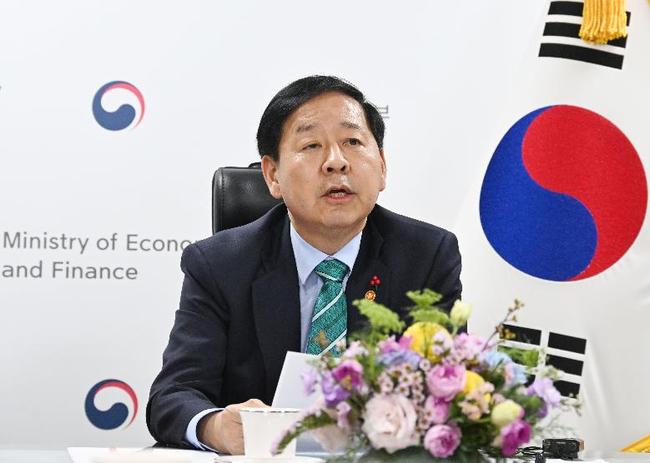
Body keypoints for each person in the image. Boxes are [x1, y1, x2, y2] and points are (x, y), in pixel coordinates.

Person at [146, 75, 462, 453]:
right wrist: (216, 428)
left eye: (353, 142)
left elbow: (447, 390)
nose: (336, 162)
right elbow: (173, 395)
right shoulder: (219, 264)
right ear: (272, 175)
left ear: (382, 166)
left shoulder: (426, 256)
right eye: (312, 145)